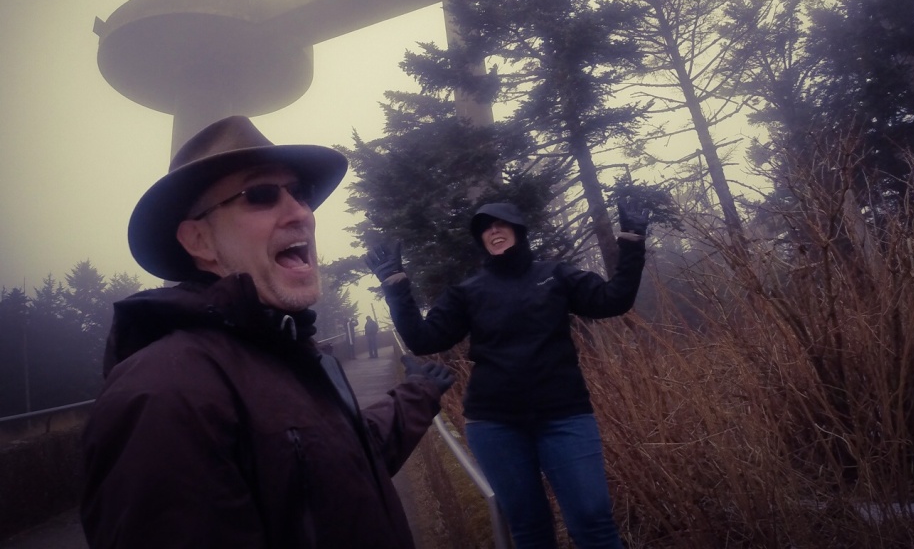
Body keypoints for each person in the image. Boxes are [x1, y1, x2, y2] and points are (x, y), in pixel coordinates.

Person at [80, 115, 454, 549]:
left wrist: (418, 394)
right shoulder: (163, 394)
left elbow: (343, 464)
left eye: (301, 193)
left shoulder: (297, 355)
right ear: (199, 241)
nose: (300, 213)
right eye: (260, 195)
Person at [365, 201, 649, 549]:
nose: (493, 231)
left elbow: (613, 300)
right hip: (495, 425)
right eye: (485, 227)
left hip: (565, 416)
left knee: (593, 519)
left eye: (501, 223)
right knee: (529, 528)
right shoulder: (469, 292)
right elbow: (423, 339)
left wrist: (632, 241)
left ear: (518, 230)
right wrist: (396, 287)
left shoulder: (555, 275)